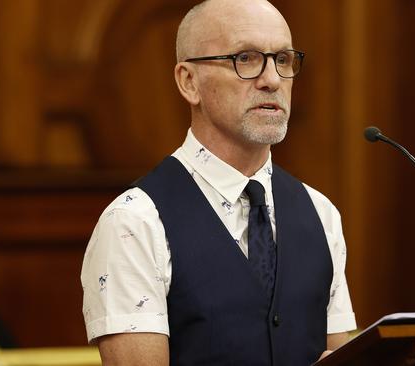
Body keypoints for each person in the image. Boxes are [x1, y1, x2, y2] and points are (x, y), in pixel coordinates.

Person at [80, 0, 356, 364]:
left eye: (284, 60)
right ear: (189, 81)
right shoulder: (134, 223)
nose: (272, 79)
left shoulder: (321, 214)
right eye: (246, 59)